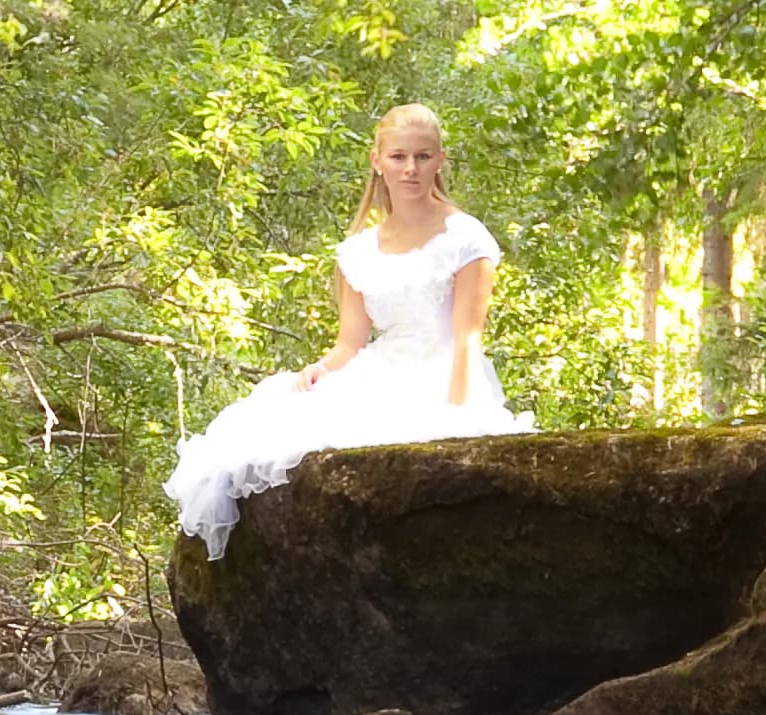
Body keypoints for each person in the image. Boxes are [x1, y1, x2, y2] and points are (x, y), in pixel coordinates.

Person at [164, 103, 532, 559]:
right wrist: (319, 369)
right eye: (398, 157)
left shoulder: (467, 237)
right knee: (264, 432)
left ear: (440, 161)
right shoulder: (357, 251)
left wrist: (456, 419)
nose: (411, 169)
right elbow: (350, 343)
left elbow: (467, 338)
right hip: (382, 371)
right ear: (378, 161)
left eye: (422, 156)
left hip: (448, 374)